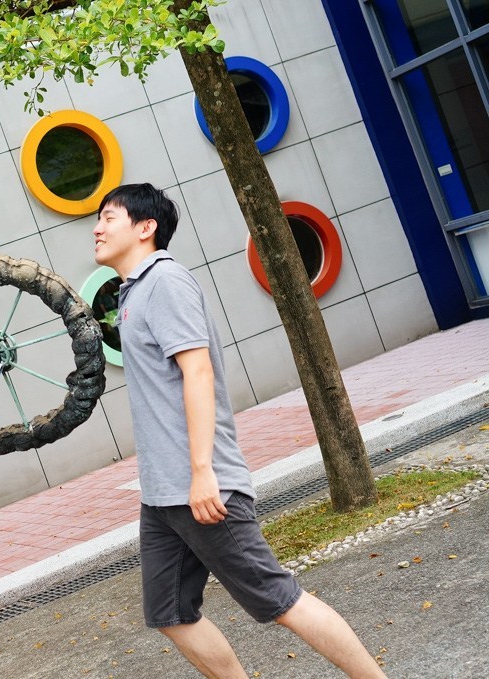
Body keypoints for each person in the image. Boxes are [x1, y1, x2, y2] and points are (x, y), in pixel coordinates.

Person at [93, 183, 386, 678]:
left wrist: (204, 471)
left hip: (199, 487)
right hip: (163, 494)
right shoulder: (134, 292)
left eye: (109, 217)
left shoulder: (165, 281)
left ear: (146, 228)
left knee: (280, 598)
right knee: (169, 613)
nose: (97, 228)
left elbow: (198, 371)